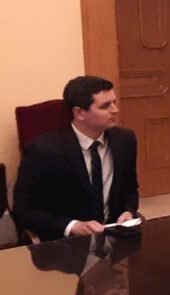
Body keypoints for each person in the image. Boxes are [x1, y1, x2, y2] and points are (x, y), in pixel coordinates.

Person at [13, 76, 140, 241]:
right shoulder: (42, 151)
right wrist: (72, 226)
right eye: (105, 106)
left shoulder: (124, 139)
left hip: (114, 237)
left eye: (114, 102)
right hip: (64, 245)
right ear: (79, 112)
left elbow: (130, 189)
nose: (115, 110)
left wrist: (128, 211)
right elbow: (23, 211)